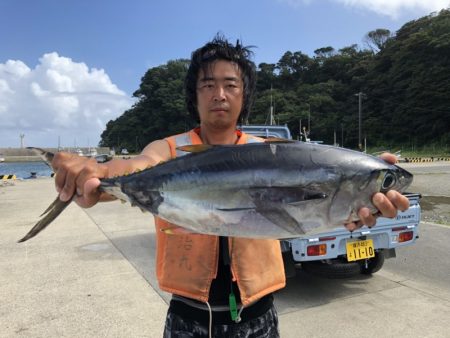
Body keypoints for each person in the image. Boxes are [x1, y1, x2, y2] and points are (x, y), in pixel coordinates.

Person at [51, 35, 409, 338]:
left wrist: (365, 190)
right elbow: (136, 167)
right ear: (195, 94)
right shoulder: (169, 151)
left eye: (230, 84)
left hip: (259, 316)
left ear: (244, 93)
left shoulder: (269, 155)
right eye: (208, 85)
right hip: (188, 318)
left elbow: (320, 191)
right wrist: (95, 171)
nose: (219, 94)